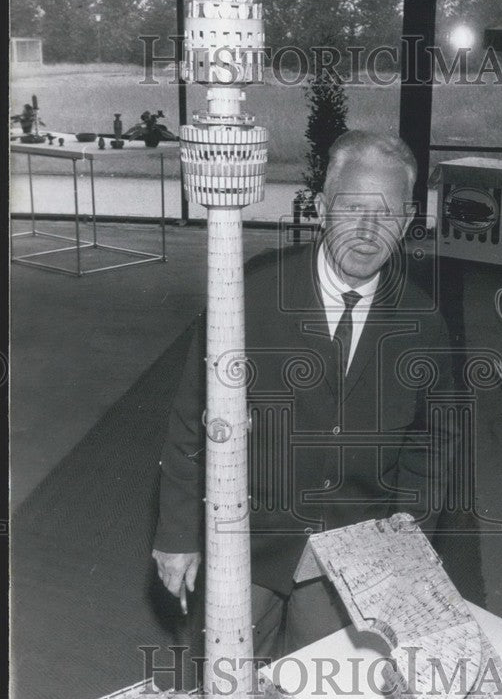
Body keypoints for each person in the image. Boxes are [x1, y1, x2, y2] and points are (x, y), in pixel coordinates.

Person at [152, 131, 456, 657]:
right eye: (352, 209)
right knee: (228, 694)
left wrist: (407, 546)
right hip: (245, 541)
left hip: (351, 556)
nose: (367, 231)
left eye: (386, 214)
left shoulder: (423, 321)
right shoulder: (247, 299)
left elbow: (431, 447)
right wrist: (178, 532)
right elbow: (190, 421)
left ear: (407, 222)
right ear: (320, 209)